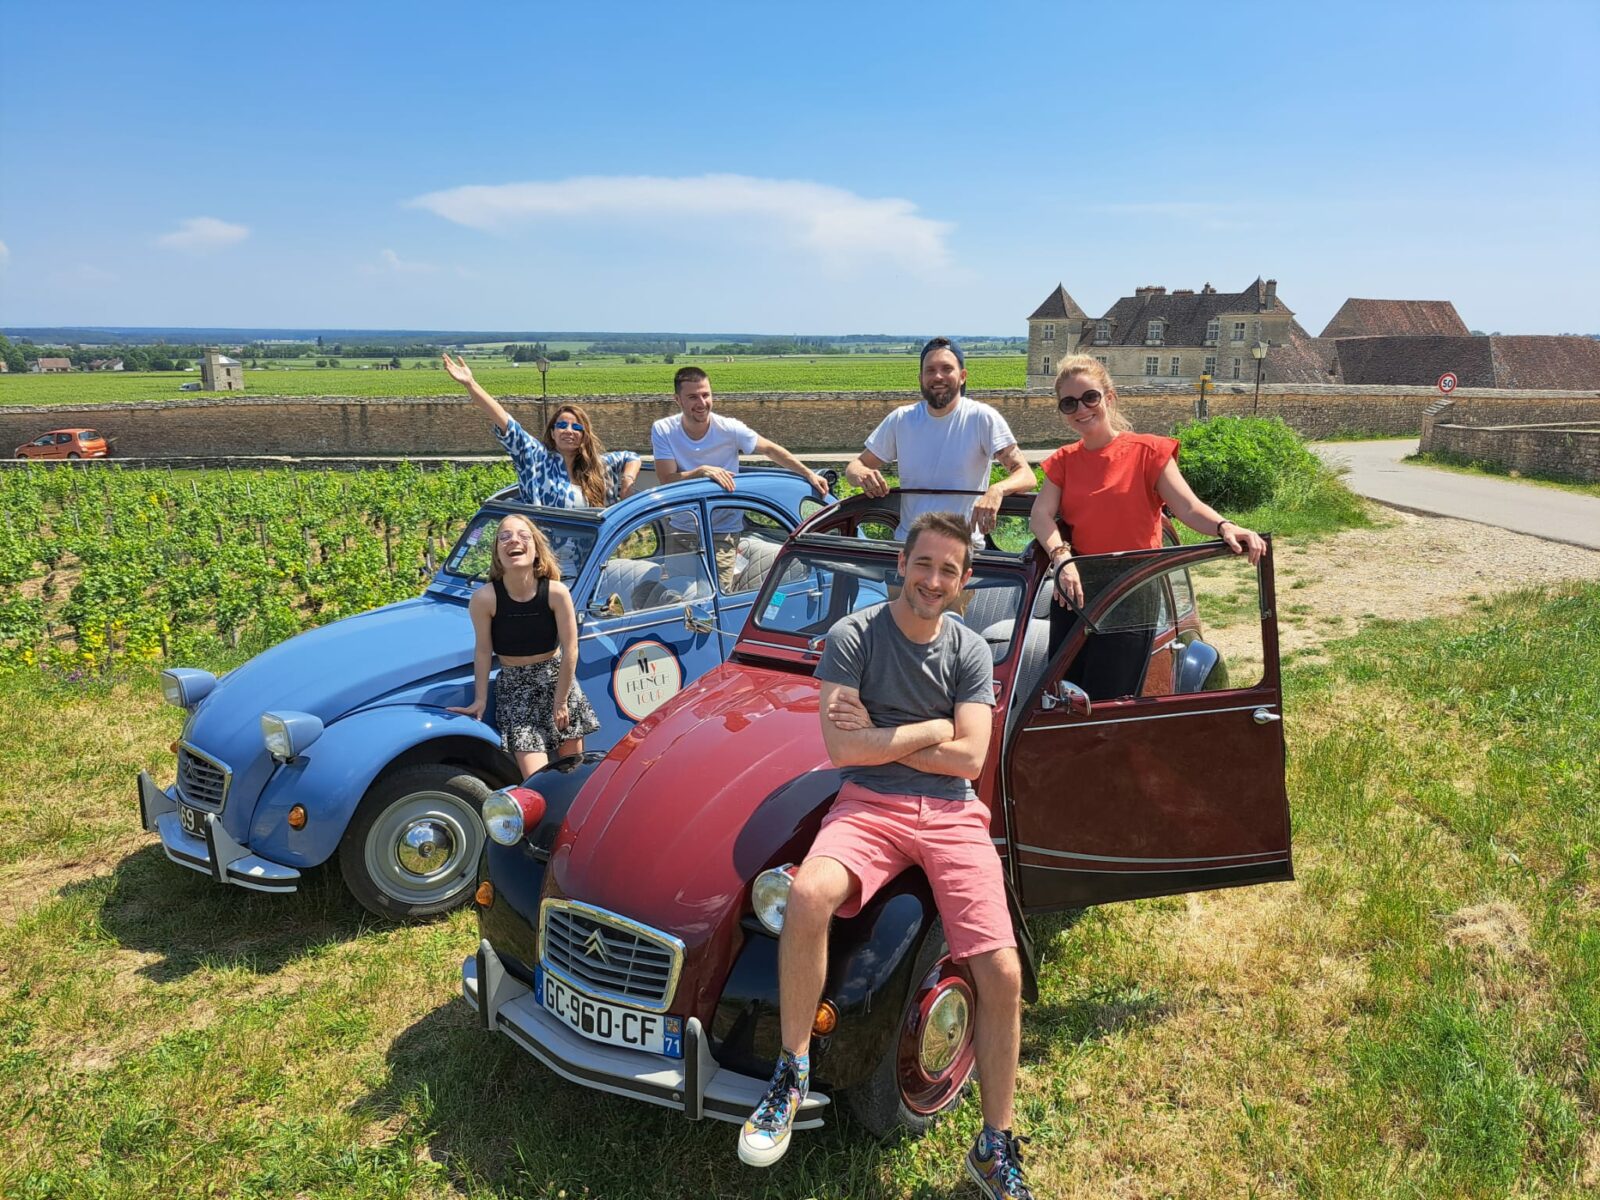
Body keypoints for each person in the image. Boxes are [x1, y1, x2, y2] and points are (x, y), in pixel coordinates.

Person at [738, 511, 1036, 1200]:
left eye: (948, 571)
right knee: (809, 893)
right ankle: (792, 1070)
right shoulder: (853, 637)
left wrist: (892, 731)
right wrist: (932, 728)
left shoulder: (967, 651)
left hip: (953, 813)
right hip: (868, 805)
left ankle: (993, 1146)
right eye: (924, 564)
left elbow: (970, 755)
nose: (933, 580)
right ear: (901, 564)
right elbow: (845, 752)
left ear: (963, 583)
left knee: (1001, 969)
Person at [1029, 353, 1268, 697]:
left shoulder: (1148, 451)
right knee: (1064, 693)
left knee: (1110, 695)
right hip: (1077, 584)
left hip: (1133, 586)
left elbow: (1186, 506)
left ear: (1109, 398)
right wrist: (1062, 558)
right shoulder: (1064, 460)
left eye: (1090, 397)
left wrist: (1224, 526)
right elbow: (1040, 516)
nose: (1081, 409)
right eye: (1069, 403)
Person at [447, 513, 601, 777]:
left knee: (572, 774)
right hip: (516, 690)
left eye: (522, 535)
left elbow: (570, 649)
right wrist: (480, 698)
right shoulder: (484, 599)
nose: (513, 541)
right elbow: (483, 651)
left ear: (536, 549)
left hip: (558, 683)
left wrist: (561, 701)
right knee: (536, 781)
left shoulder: (556, 592)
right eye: (504, 537)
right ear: (497, 552)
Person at [844, 337, 1036, 545]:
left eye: (947, 369)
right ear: (920, 378)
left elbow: (1026, 475)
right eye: (930, 370)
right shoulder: (901, 419)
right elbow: (855, 467)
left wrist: (997, 490)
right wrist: (862, 474)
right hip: (910, 547)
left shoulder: (982, 418)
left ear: (962, 376)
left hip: (962, 549)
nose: (938, 376)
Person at [652, 365, 830, 588]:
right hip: (682, 528)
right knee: (678, 594)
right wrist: (700, 472)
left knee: (717, 595)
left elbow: (770, 449)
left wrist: (808, 474)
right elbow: (666, 478)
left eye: (706, 395)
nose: (701, 403)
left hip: (723, 530)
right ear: (677, 400)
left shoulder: (729, 428)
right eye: (692, 397)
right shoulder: (663, 429)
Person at [443, 354, 639, 506]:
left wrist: (627, 482)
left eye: (576, 427)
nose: (568, 430)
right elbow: (506, 422)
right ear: (553, 433)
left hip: (591, 558)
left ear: (584, 436)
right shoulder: (537, 459)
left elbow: (631, 457)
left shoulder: (597, 465)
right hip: (546, 557)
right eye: (561, 425)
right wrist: (471, 384)